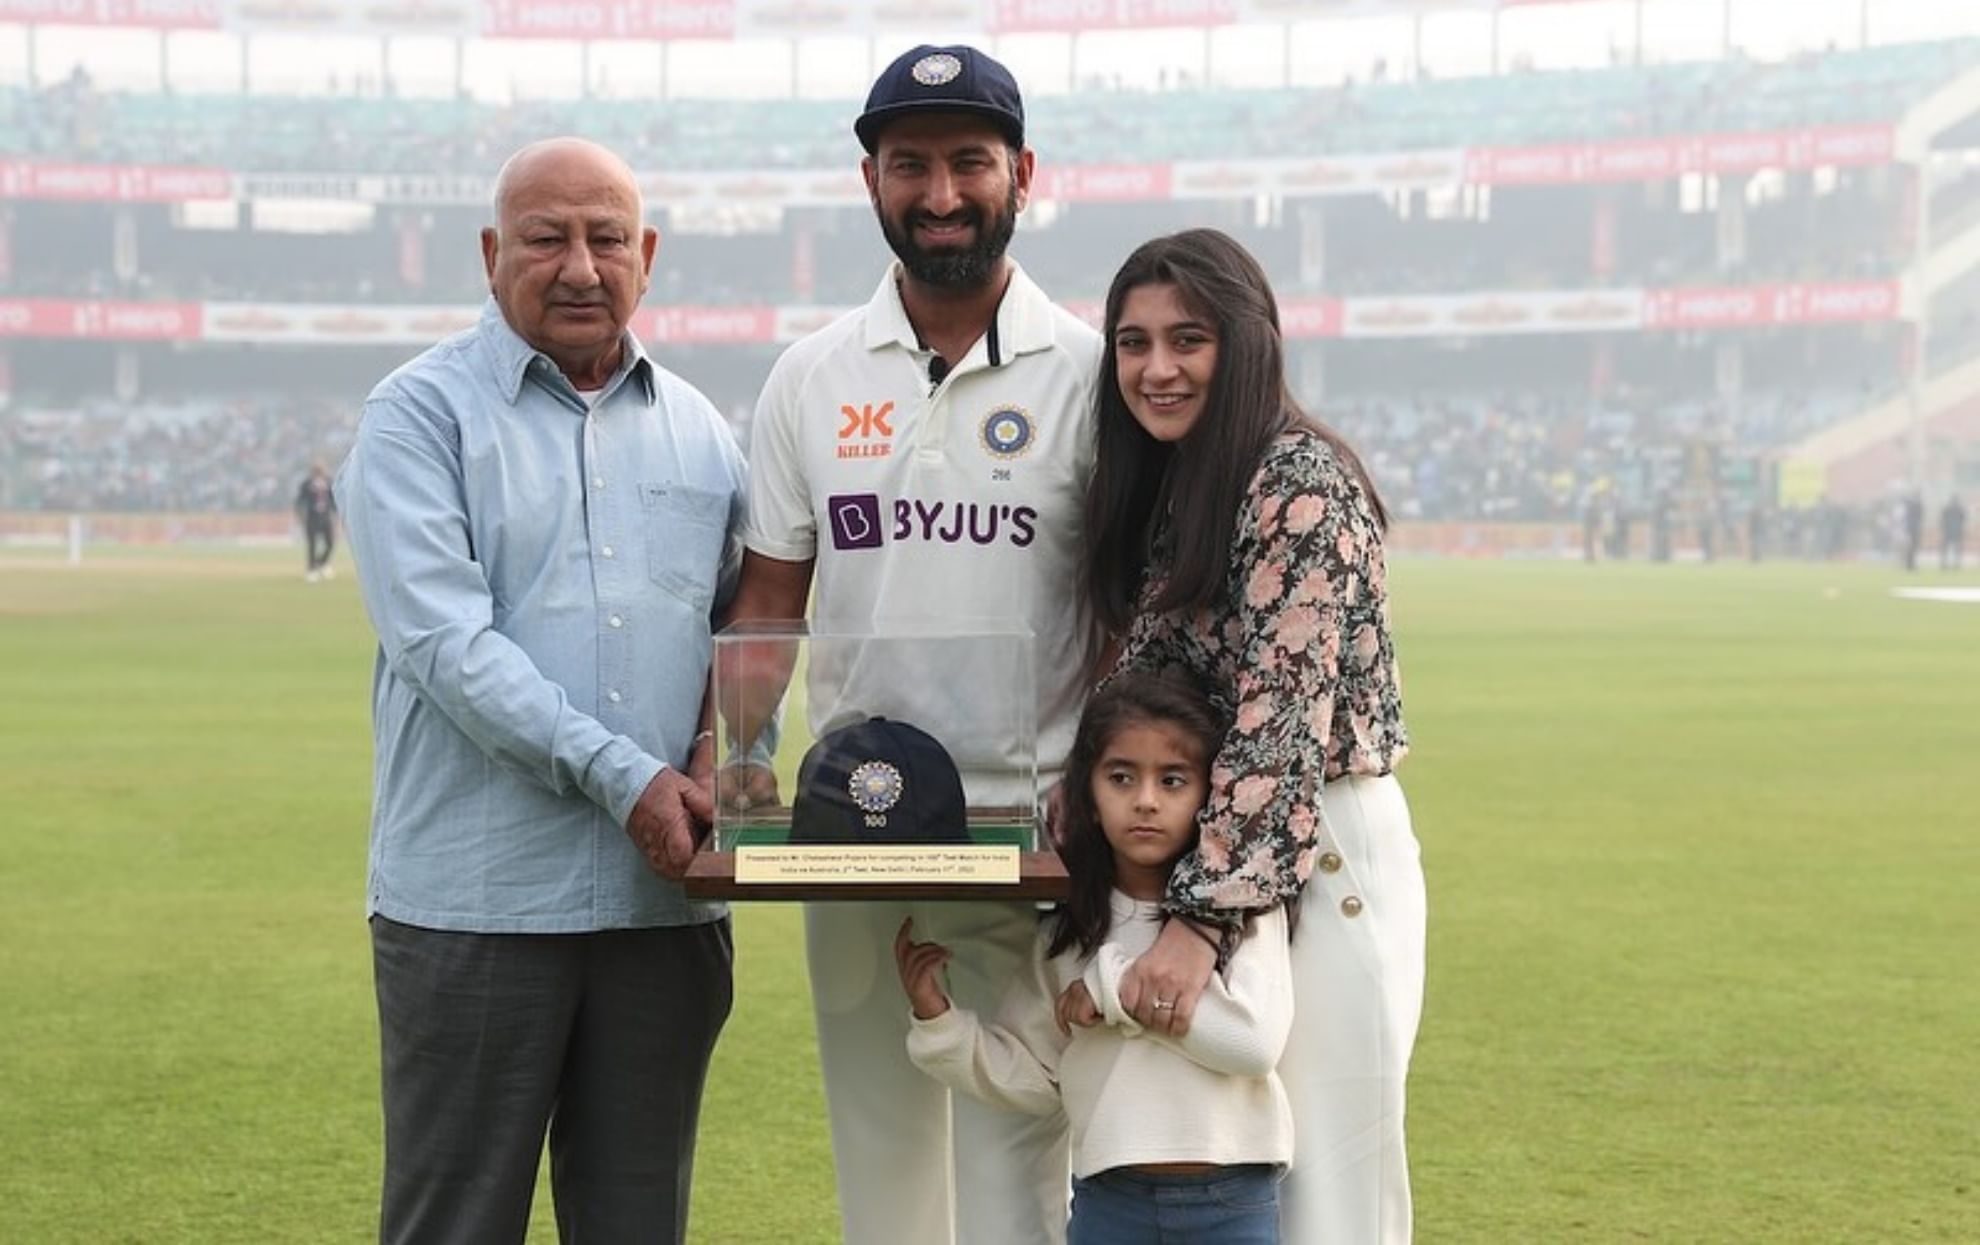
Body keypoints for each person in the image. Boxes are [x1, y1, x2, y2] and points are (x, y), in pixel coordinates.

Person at [724, 44, 1102, 1245]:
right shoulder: (810, 377)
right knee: (883, 1184)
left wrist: (1095, 799)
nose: (941, 193)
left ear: (1023, 173)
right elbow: (769, 604)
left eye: (968, 162)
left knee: (1017, 1189)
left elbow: (1136, 625)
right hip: (854, 834)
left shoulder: (1091, 375)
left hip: (1032, 842)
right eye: (910, 165)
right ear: (871, 182)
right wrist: (731, 753)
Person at [335, 138, 743, 1245]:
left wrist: (724, 765)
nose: (579, 266)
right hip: (478, 909)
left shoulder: (706, 437)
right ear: (489, 253)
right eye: (545, 238)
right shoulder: (419, 418)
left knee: (636, 1225)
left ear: (646, 256)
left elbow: (742, 642)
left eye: (606, 238)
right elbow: (447, 647)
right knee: (454, 1224)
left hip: (664, 912)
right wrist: (629, 779)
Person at [1079, 229, 1425, 1243]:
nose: (1157, 368)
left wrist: (1198, 924)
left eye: (1189, 339)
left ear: (1248, 343)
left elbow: (1279, 724)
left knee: (1333, 1197)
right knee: (1252, 1172)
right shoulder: (1177, 484)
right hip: (1224, 856)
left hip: (1321, 849)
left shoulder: (1300, 484)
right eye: (1133, 343)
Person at [896, 672, 1294, 1245]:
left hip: (1231, 1200)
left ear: (1211, 795)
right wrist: (943, 1027)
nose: (1146, 801)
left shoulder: (1242, 912)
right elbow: (1040, 1073)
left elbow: (1251, 1045)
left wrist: (1109, 991)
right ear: (1088, 790)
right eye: (1121, 777)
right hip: (1111, 1202)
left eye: (1174, 780)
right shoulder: (1071, 927)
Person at [294, 460, 337, 581]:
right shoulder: (307, 484)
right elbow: (300, 500)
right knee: (312, 544)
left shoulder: (328, 482)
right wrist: (300, 514)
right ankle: (311, 569)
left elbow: (333, 499)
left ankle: (322, 563)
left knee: (330, 542)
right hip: (312, 517)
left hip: (325, 516)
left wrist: (336, 513)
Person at [1941, 493, 1967, 570]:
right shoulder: (1960, 508)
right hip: (1956, 531)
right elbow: (1963, 518)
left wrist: (1944, 528)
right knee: (1956, 549)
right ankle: (1956, 564)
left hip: (1948, 530)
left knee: (1946, 549)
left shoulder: (1947, 508)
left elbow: (1943, 519)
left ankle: (1944, 564)